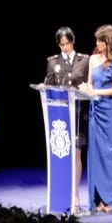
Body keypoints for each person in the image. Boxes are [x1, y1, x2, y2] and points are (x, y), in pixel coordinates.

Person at [79, 25, 112, 214]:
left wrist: (94, 92)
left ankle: (111, 200)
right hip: (95, 111)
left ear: (108, 42)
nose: (97, 44)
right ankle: (98, 200)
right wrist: (85, 90)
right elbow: (89, 84)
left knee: (111, 155)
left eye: (100, 41)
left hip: (110, 113)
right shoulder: (93, 59)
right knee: (95, 155)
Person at [43, 26, 90, 205]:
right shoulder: (52, 62)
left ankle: (75, 194)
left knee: (77, 153)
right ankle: (62, 191)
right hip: (60, 116)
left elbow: (89, 86)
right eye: (62, 45)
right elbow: (49, 85)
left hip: (78, 114)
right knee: (61, 153)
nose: (65, 48)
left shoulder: (84, 61)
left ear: (73, 41)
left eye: (67, 44)